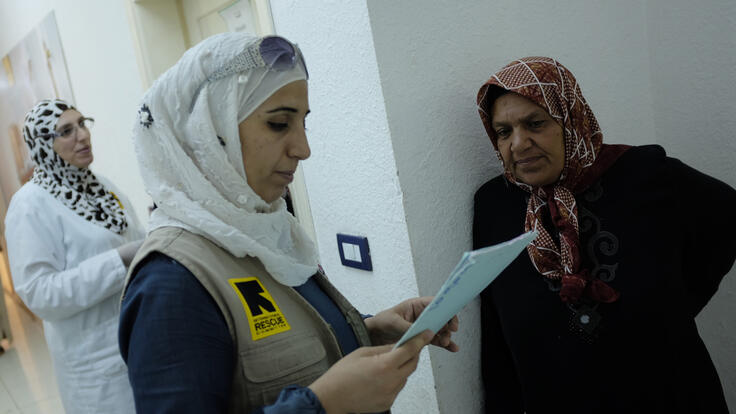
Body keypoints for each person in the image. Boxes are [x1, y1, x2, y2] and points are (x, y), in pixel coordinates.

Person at [119, 32, 459, 414]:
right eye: (279, 124)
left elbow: (280, 346)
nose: (303, 149)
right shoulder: (171, 282)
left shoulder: (264, 230)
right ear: (207, 132)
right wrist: (321, 406)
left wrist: (367, 328)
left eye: (303, 124)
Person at [473, 57, 736, 413]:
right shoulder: (495, 206)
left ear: (569, 118)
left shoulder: (643, 174)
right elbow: (494, 328)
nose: (519, 144)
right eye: (504, 131)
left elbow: (725, 218)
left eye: (535, 123)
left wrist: (674, 304)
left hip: (669, 394)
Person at [4, 99, 145, 413]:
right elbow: (40, 294)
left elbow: (135, 239)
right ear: (43, 145)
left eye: (83, 123)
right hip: (96, 367)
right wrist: (117, 261)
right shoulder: (30, 205)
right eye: (66, 131)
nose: (82, 135)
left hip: (139, 343)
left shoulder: (102, 188)